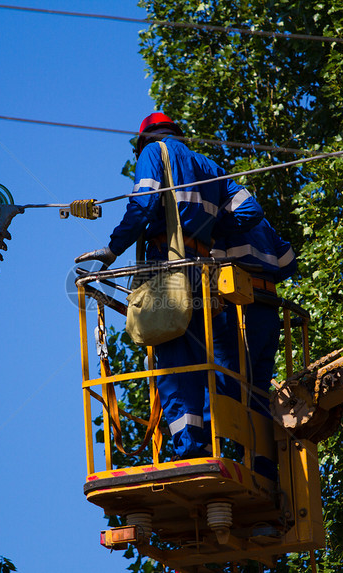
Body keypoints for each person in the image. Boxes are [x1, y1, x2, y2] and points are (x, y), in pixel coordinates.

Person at [75, 112, 263, 459]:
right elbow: (250, 212)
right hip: (207, 273)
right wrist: (206, 230)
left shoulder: (153, 153)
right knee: (217, 361)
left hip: (168, 271)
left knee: (175, 365)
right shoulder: (210, 165)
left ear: (145, 139)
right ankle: (223, 441)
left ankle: (191, 449)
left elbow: (143, 205)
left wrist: (112, 249)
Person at [210, 217, 297, 479]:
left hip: (238, 310)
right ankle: (262, 464)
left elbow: (206, 265)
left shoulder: (217, 221)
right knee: (257, 390)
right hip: (267, 310)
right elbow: (288, 262)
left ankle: (210, 452)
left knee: (224, 384)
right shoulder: (261, 221)